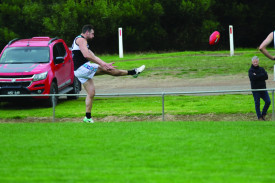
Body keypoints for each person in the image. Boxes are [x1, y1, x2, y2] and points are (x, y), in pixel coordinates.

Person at [72, 24, 145, 123]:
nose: (93, 36)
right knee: (109, 71)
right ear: (87, 32)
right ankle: (133, 72)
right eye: (92, 34)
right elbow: (86, 55)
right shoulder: (81, 40)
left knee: (91, 93)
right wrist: (103, 65)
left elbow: (93, 55)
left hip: (79, 71)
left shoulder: (83, 42)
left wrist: (104, 63)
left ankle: (87, 118)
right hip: (82, 68)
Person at [248, 56, 271, 121]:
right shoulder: (250, 70)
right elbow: (252, 78)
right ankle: (259, 117)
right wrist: (261, 75)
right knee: (257, 103)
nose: (255, 63)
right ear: (252, 62)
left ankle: (263, 114)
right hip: (255, 90)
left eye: (256, 61)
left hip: (263, 89)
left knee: (268, 101)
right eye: (254, 62)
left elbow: (266, 77)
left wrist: (257, 75)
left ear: (258, 62)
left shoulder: (261, 69)